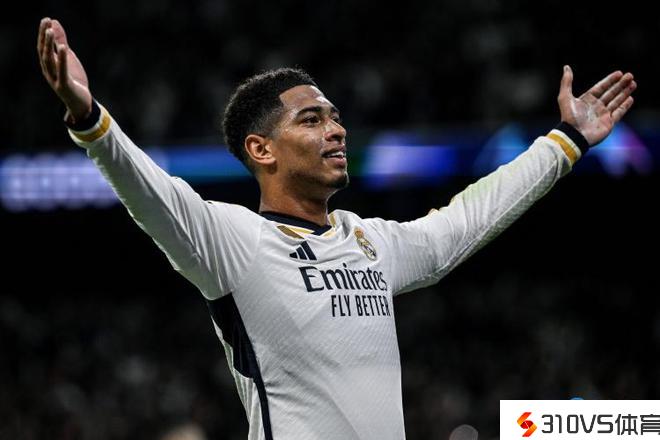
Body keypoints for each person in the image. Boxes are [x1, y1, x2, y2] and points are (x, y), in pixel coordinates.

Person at [37, 16, 636, 440]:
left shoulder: (371, 243)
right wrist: (89, 118)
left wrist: (566, 141)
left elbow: (469, 217)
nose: (337, 129)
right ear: (261, 149)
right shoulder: (234, 243)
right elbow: (151, 192)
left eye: (335, 117)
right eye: (312, 119)